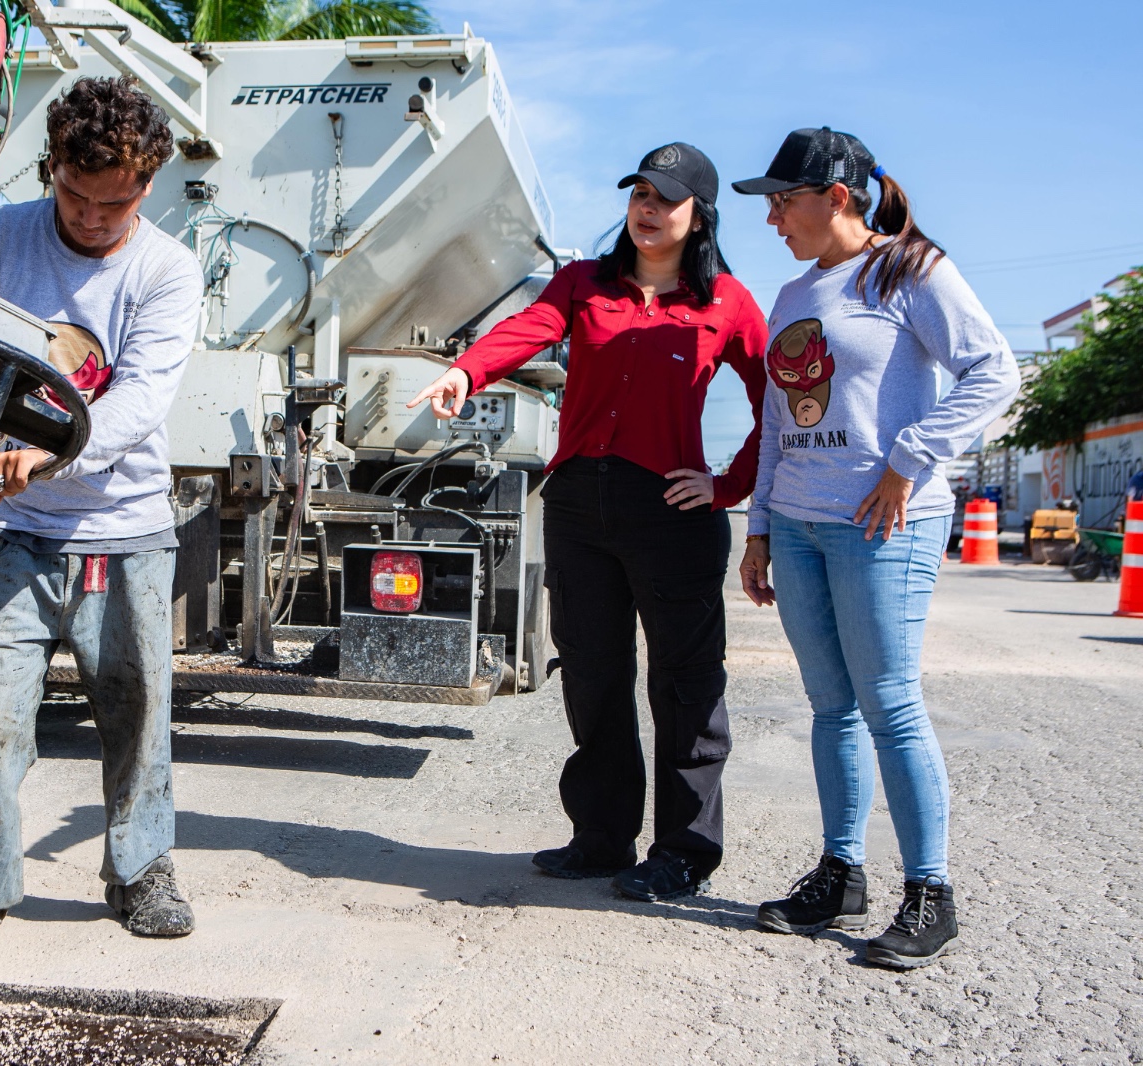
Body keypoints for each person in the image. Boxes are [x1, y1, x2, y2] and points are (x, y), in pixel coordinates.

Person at [0, 76, 203, 973]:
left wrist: (53, 451)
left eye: (116, 203)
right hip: (9, 530)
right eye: (75, 195)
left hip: (125, 529)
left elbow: (142, 398)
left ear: (146, 187)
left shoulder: (165, 270)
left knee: (136, 711)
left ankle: (141, 870)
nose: (93, 218)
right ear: (53, 168)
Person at [410, 143, 767, 901]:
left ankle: (683, 853)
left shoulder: (727, 304)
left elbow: (785, 399)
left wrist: (728, 485)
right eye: (639, 192)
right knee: (595, 678)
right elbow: (526, 330)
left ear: (698, 215)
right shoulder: (583, 286)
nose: (647, 208)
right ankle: (602, 838)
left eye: (665, 198)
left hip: (670, 510)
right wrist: (464, 370)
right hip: (578, 505)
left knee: (685, 686)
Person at [733, 128, 1019, 969]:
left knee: (890, 703)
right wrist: (757, 526)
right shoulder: (793, 294)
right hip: (798, 522)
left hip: (884, 524)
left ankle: (930, 893)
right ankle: (841, 872)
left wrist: (909, 461)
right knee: (831, 709)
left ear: (839, 198)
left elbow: (991, 371)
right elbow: (780, 421)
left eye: (785, 200)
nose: (774, 217)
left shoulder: (911, 270)